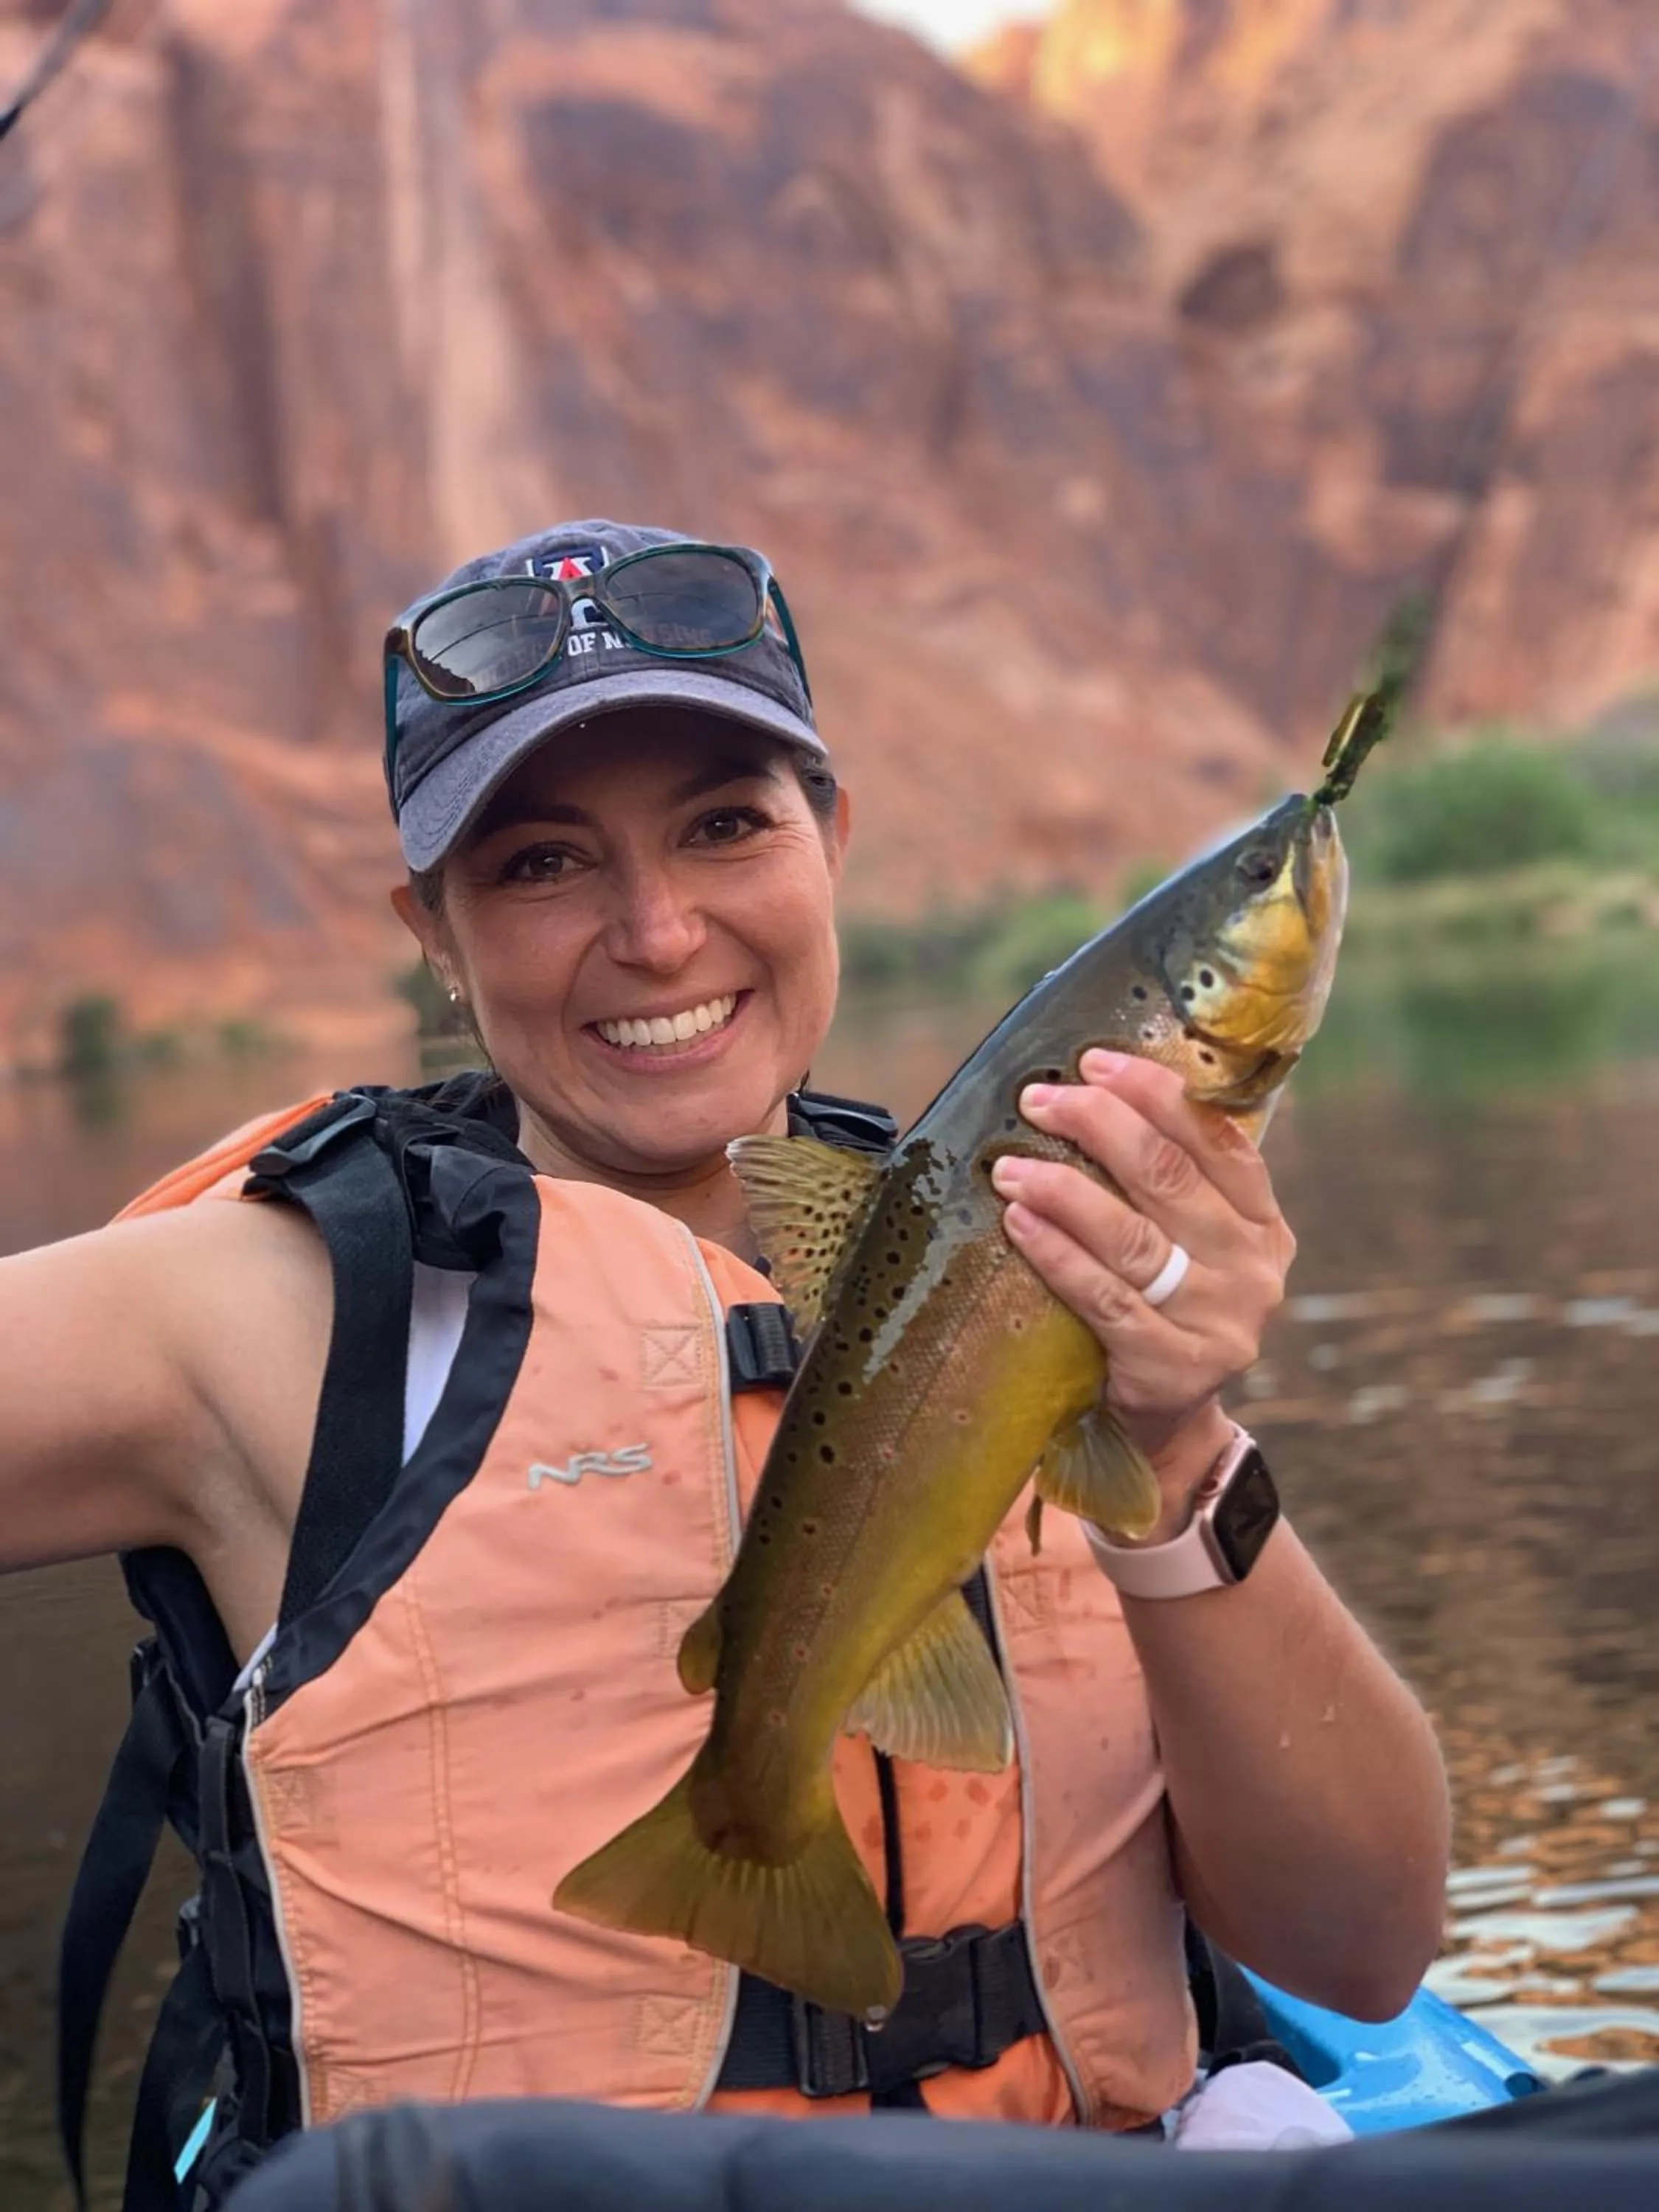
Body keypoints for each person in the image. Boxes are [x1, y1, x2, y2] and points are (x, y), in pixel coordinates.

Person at [6, 522, 1450, 2212]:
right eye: (543, 864)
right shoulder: (254, 1320)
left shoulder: (1045, 1260)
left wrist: (1185, 1445)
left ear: (828, 839)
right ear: (435, 934)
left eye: (725, 826)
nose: (660, 931)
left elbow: (1361, 1955)